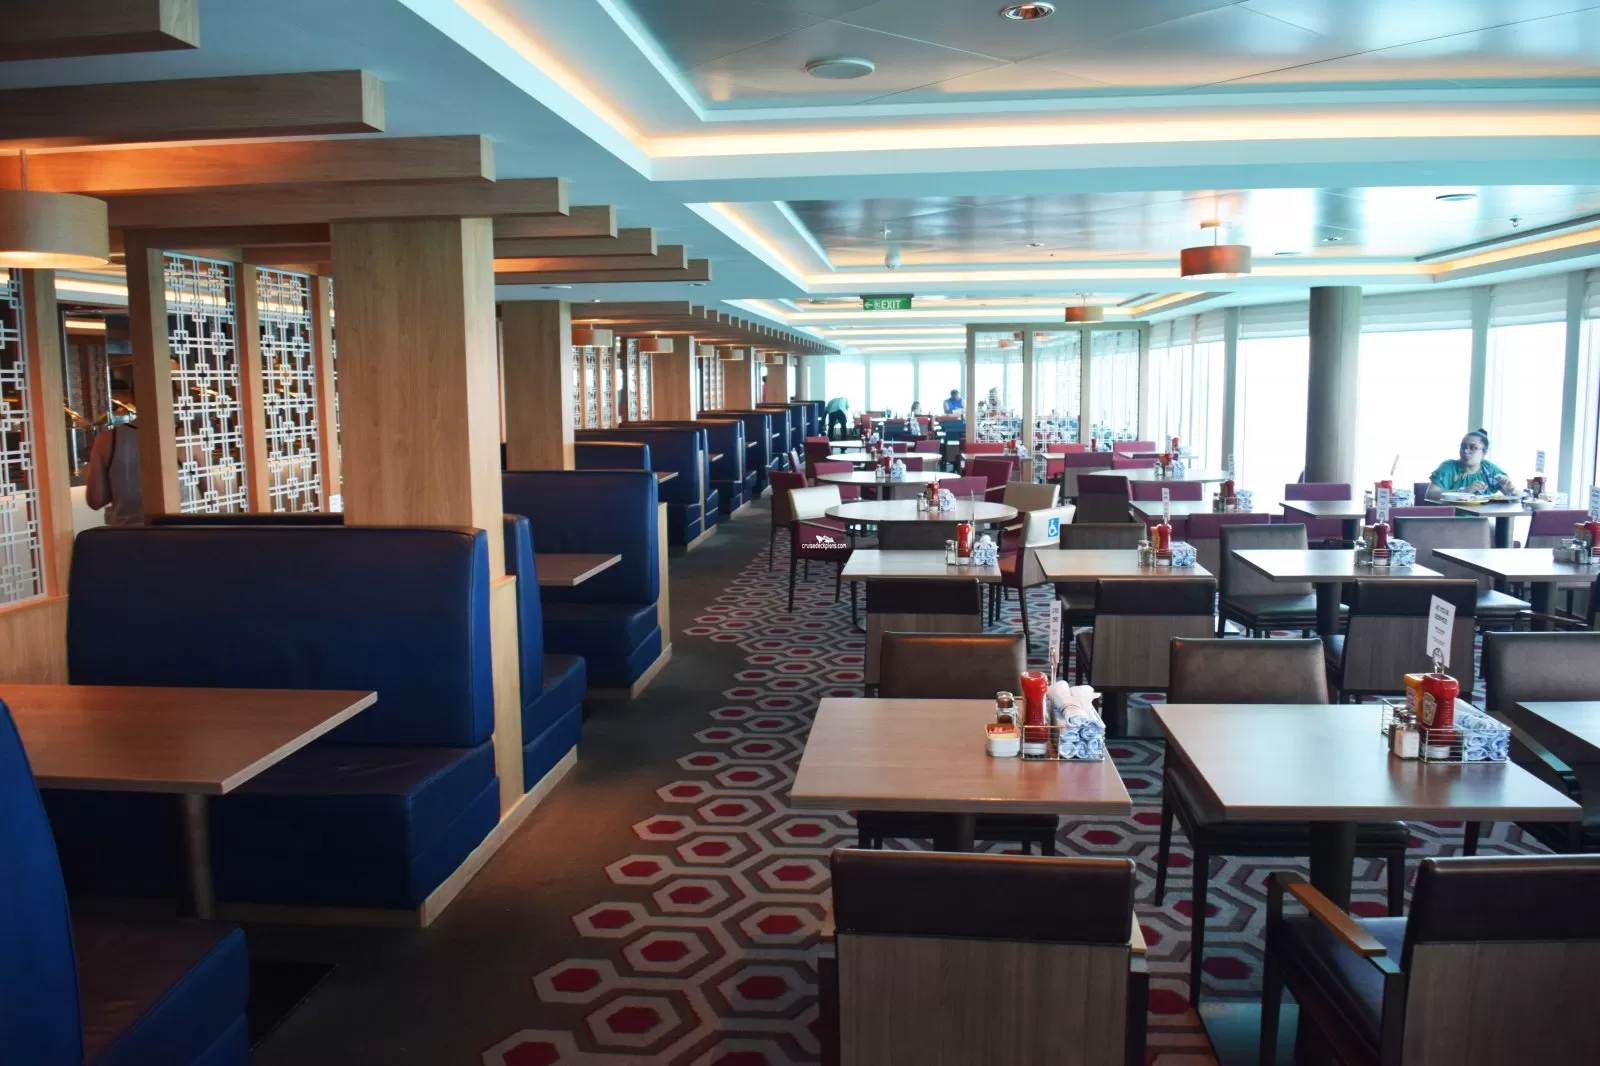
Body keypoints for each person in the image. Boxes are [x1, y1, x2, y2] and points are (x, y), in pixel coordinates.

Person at [85, 415, 144, 526]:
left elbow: (96, 500)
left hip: (129, 532)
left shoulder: (108, 439)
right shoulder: (178, 435)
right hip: (176, 532)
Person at [1426, 428, 1515, 499]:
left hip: (1483, 515)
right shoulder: (1449, 467)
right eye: (1463, 446)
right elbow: (1430, 494)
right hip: (1453, 516)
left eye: (1473, 448)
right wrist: (1464, 491)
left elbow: (1516, 497)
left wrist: (1511, 489)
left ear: (1484, 453)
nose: (1465, 451)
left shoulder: (1489, 469)